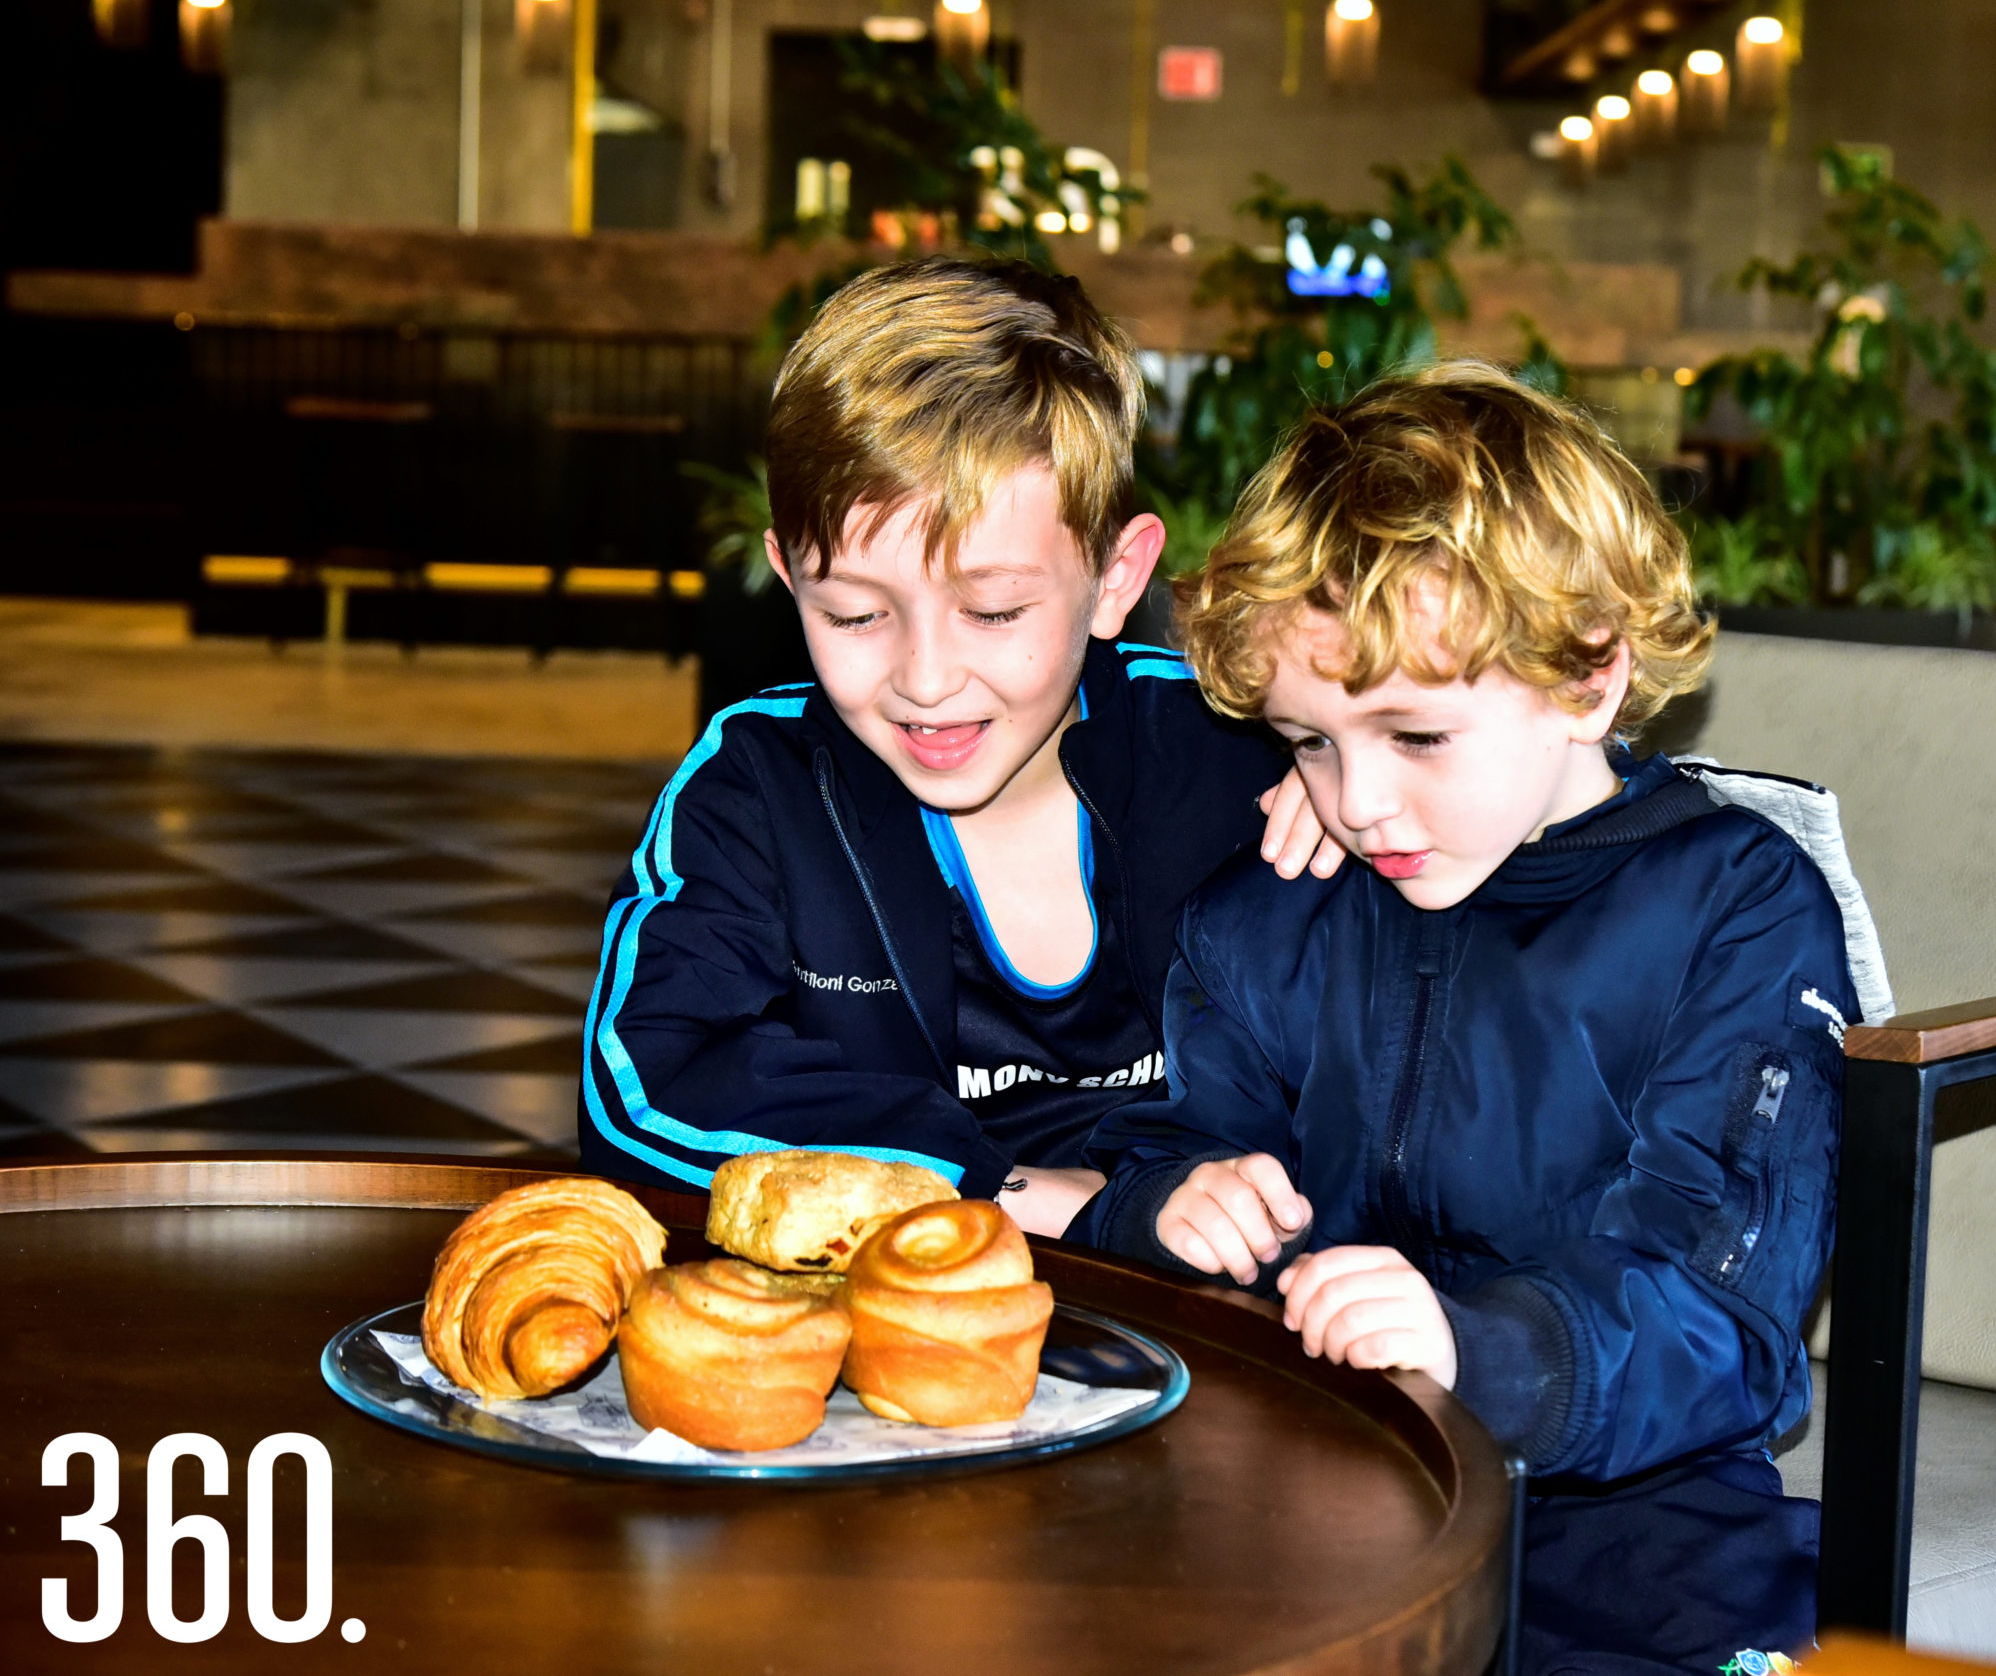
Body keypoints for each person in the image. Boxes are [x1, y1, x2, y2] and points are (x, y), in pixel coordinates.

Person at [1074, 362, 1859, 1671]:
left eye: (1414, 738)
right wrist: (1159, 1204)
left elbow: (1721, 1312)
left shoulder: (1737, 909)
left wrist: (1471, 1346)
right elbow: (1170, 1152)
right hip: (1320, 1479)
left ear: (1588, 676)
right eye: (1310, 741)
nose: (1359, 801)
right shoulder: (1270, 914)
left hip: (1633, 1523)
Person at [577, 257, 1338, 1235]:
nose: (925, 679)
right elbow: (643, 1093)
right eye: (853, 613)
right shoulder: (758, 786)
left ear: (1115, 578)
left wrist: (1356, 777)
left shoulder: (1248, 754)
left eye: (992, 609)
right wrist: (1001, 1189)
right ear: (788, 575)